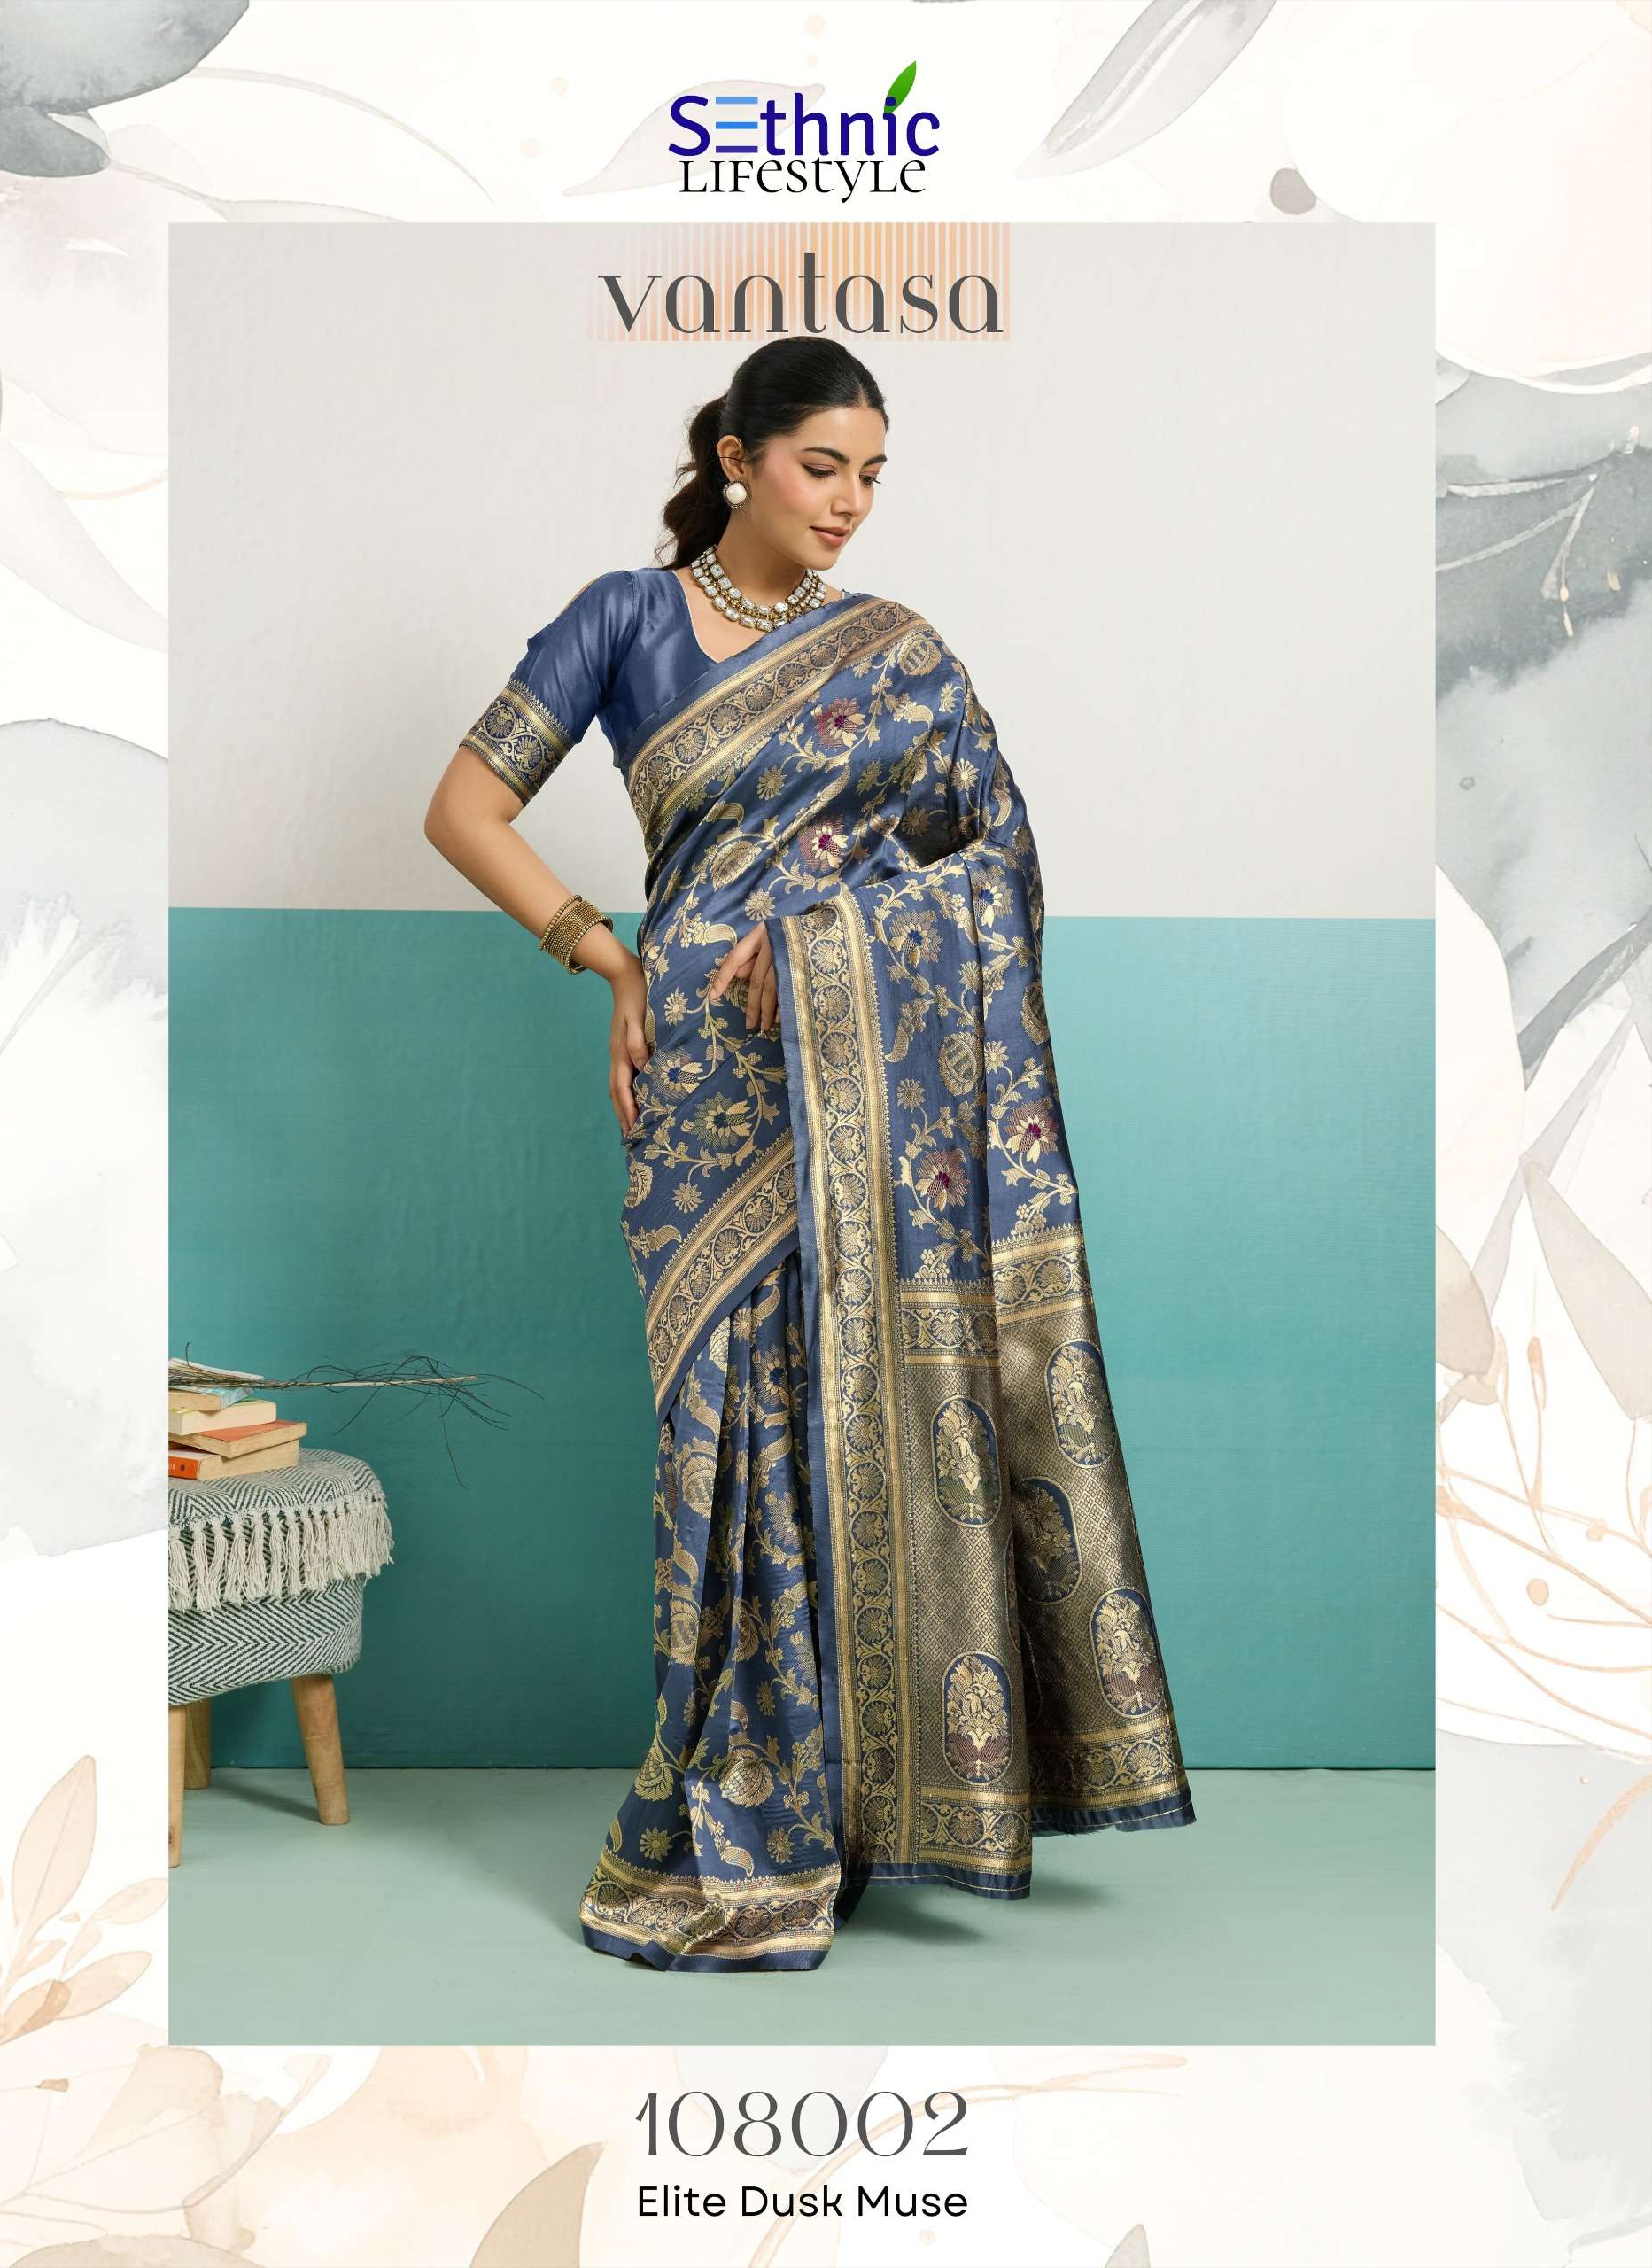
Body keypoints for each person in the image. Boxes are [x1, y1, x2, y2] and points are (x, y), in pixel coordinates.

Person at [423, 336, 1196, 1972]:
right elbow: (464, 808)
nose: (847, 503)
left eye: (871, 476)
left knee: (865, 1412)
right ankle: (745, 1806)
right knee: (722, 1445)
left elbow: (1001, 866)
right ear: (737, 458)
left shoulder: (900, 655)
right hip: (703, 1097)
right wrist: (607, 956)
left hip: (867, 1093)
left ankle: (868, 1802)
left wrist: (837, 937)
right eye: (820, 467)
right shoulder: (623, 620)